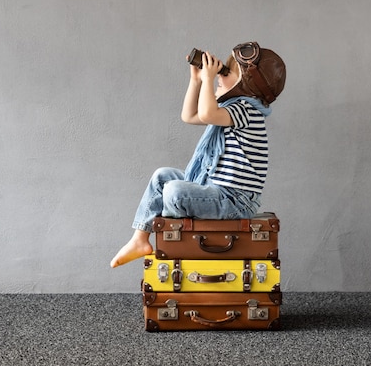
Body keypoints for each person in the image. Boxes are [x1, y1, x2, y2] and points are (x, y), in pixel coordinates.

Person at [110, 42, 286, 268]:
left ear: (248, 84)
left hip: (235, 201)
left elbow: (206, 112)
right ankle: (139, 239)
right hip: (216, 189)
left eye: (227, 72)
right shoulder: (234, 109)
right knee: (162, 177)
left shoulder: (246, 109)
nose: (221, 76)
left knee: (174, 191)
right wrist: (196, 81)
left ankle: (180, 236)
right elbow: (190, 115)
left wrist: (208, 79)